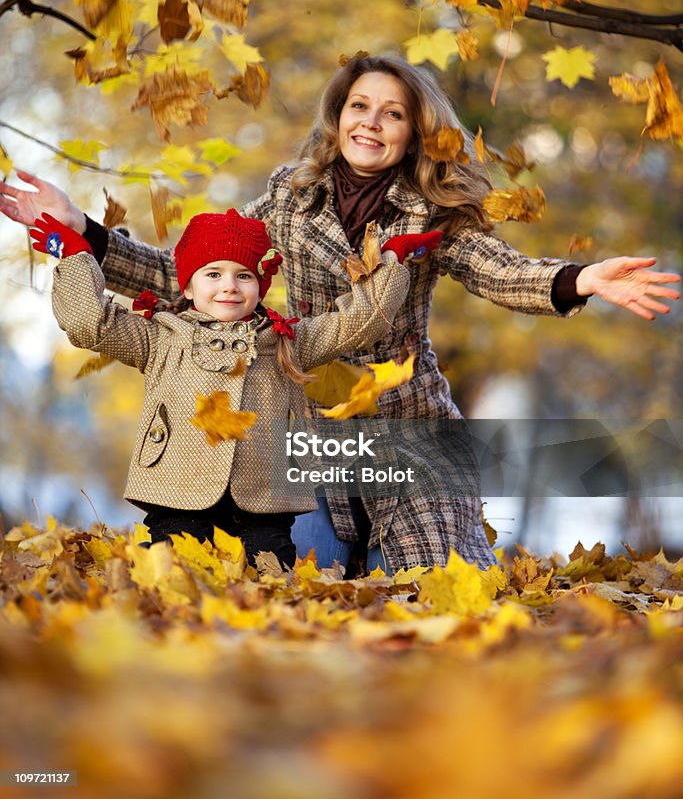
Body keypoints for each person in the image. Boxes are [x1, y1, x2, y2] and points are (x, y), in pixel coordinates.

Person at [2, 55, 679, 573]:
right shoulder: (290, 198)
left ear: (415, 131)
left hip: (406, 432)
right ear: (338, 115)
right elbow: (195, 278)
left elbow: (498, 271)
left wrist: (577, 278)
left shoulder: (433, 212)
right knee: (301, 592)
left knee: (440, 595)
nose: (370, 122)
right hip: (303, 433)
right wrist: (84, 232)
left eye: (391, 113)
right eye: (359, 105)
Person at [28, 206, 420, 568]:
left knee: (272, 573)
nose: (229, 286)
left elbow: (356, 325)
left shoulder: (285, 341)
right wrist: (78, 257)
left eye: (243, 275)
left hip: (264, 497)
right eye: (213, 274)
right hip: (178, 489)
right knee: (176, 571)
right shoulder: (161, 337)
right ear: (187, 287)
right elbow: (89, 324)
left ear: (259, 286)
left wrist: (390, 264)